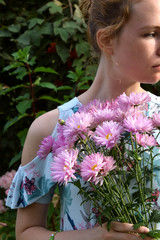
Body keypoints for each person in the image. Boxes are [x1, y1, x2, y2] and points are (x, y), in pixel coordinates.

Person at [5, 0, 160, 239]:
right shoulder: (51, 128)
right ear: (107, 40)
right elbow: (26, 233)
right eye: (151, 34)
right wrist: (93, 236)